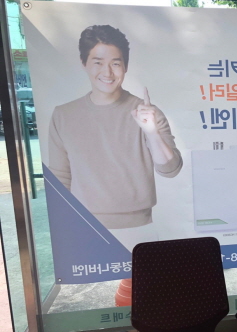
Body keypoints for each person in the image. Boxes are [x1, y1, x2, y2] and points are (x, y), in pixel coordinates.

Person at [48, 25, 183, 305]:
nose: (107, 72)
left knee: (148, 299)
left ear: (126, 67)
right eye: (98, 62)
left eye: (116, 63)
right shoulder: (63, 114)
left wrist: (151, 131)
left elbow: (170, 168)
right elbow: (60, 178)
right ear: (84, 63)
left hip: (140, 226)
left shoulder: (146, 112)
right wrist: (69, 232)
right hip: (88, 229)